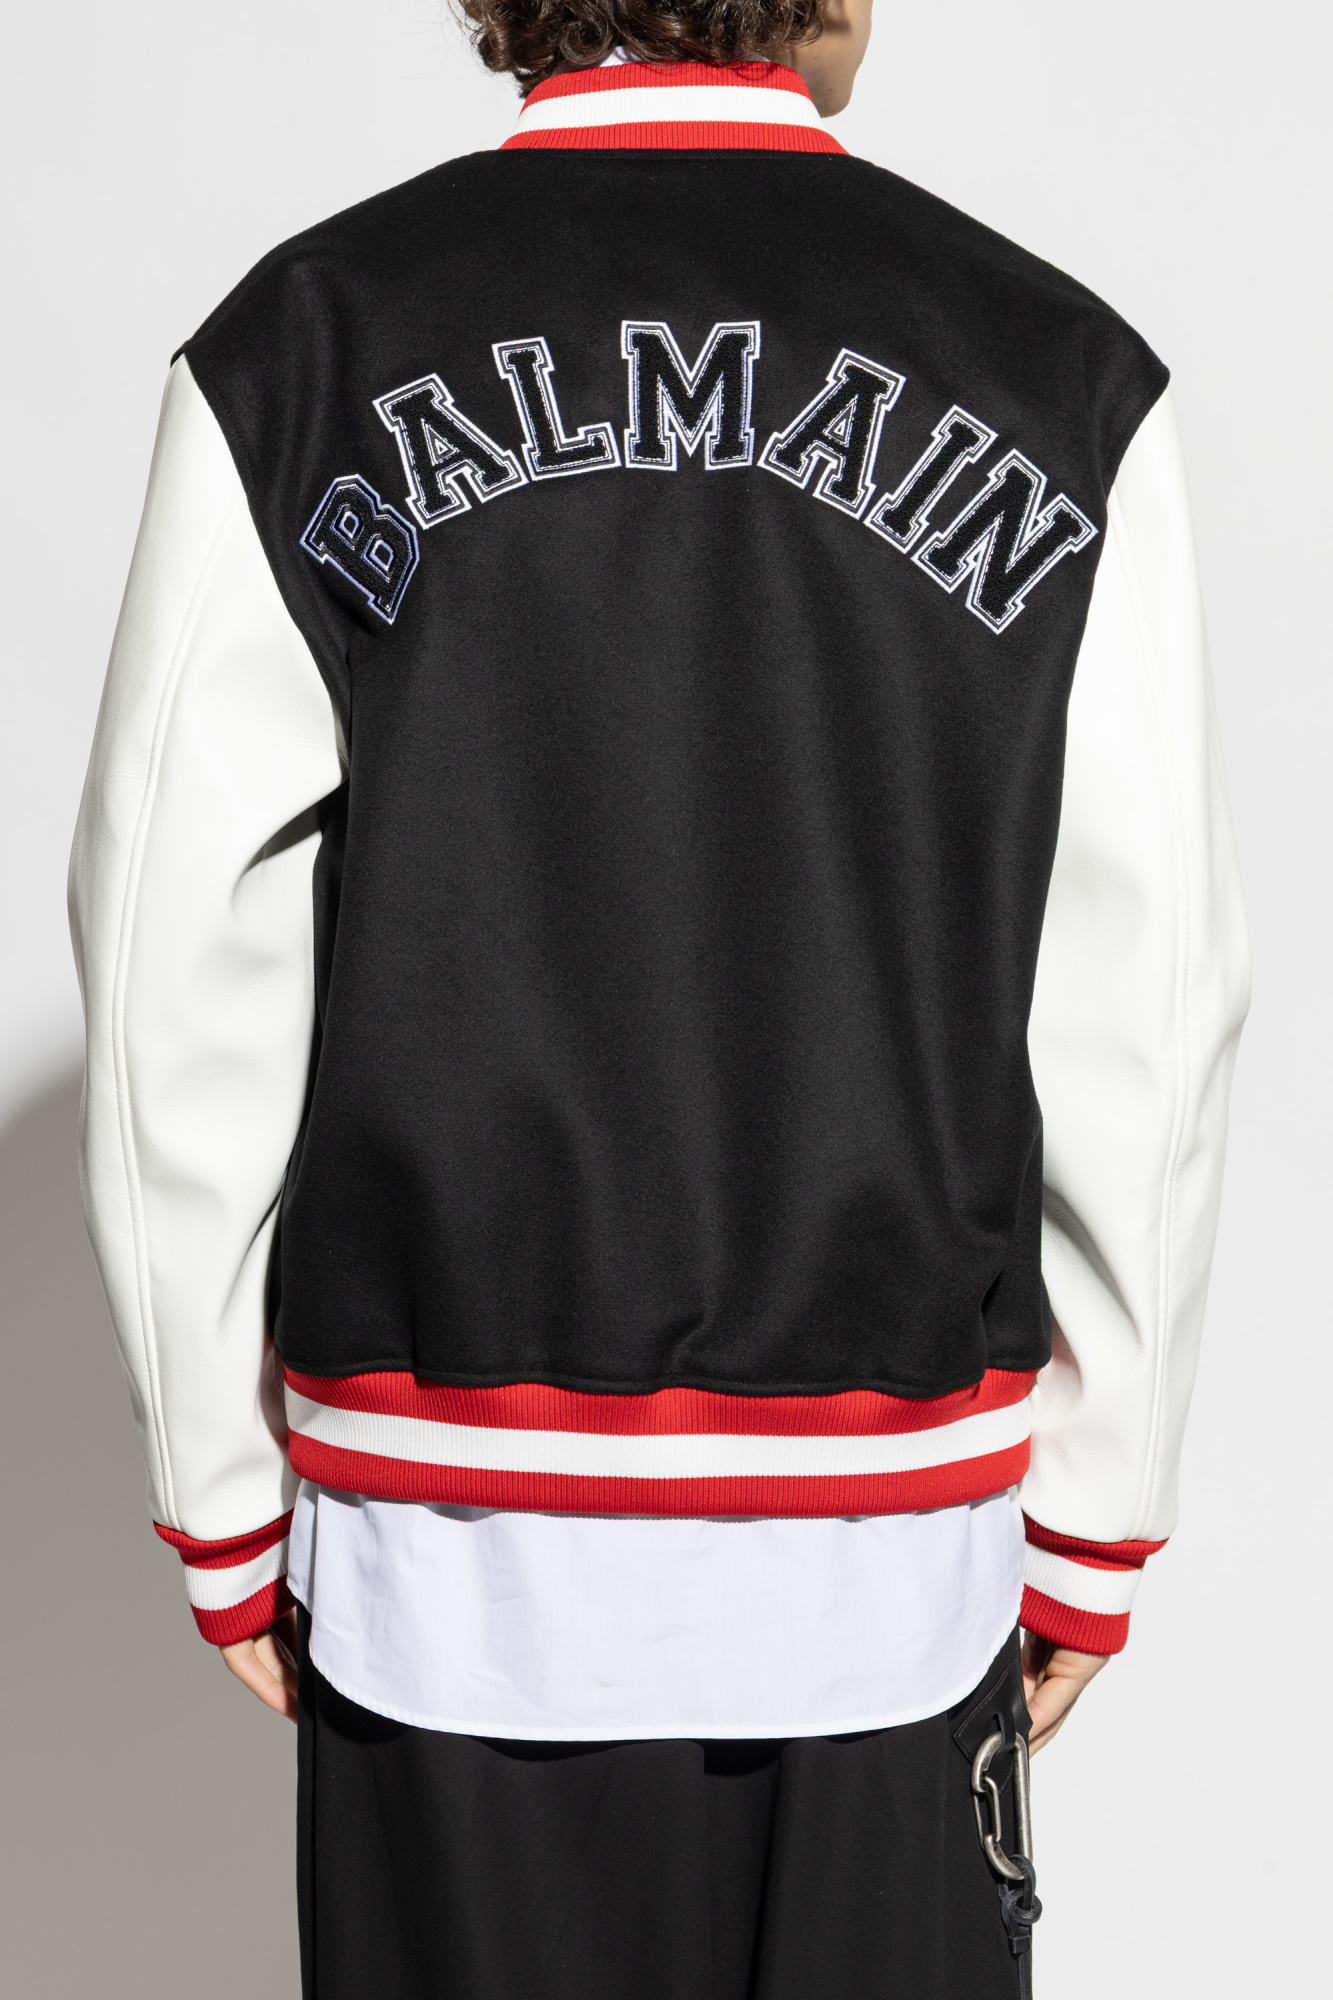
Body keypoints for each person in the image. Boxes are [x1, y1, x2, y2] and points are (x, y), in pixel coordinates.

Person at [69, 0, 1250, 1993]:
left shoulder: (303, 352)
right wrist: (1097, 1504)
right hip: (889, 1576)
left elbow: (171, 959)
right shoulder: (1055, 375)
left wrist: (218, 1487)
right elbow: (1145, 992)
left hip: (447, 1579)